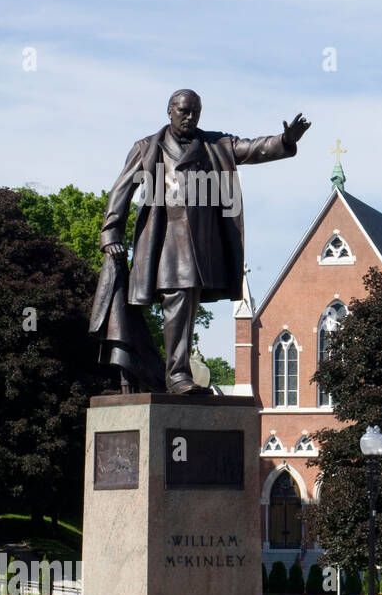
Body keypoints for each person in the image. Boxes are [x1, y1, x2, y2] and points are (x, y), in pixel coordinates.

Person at [98, 89, 310, 393]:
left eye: (195, 112)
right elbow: (121, 190)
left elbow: (252, 149)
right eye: (184, 111)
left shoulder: (214, 144)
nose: (190, 117)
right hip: (165, 244)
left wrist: (285, 140)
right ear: (169, 111)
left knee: (186, 306)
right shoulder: (146, 148)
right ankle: (176, 375)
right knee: (180, 301)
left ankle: (174, 373)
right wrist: (111, 233)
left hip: (202, 244)